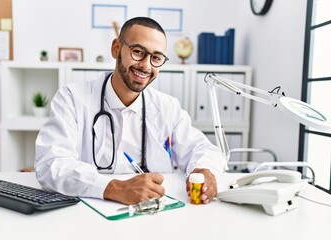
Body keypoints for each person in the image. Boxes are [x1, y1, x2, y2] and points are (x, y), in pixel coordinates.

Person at [34, 17, 225, 205]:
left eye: (156, 58)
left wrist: (205, 170)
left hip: (153, 211)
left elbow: (202, 149)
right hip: (87, 212)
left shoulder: (167, 107)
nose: (146, 65)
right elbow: (50, 165)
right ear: (116, 48)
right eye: (138, 52)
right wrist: (113, 188)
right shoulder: (72, 98)